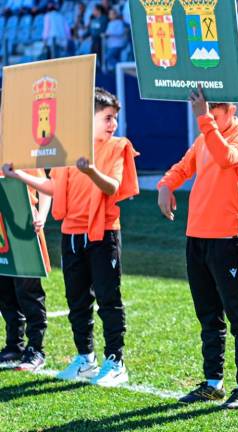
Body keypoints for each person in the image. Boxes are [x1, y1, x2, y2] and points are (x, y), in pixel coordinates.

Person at [3, 88, 139, 387]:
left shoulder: (118, 146)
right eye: (106, 118)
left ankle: (115, 361)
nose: (112, 123)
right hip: (72, 234)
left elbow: (112, 187)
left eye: (114, 118)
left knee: (108, 299)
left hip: (103, 233)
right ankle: (85, 359)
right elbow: (53, 187)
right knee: (77, 301)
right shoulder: (69, 150)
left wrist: (90, 170)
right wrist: (19, 176)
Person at [157, 86, 238, 409]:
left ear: (232, 110)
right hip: (196, 238)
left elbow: (226, 156)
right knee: (208, 315)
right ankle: (213, 382)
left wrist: (204, 121)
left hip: (228, 239)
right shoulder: (204, 137)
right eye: (206, 111)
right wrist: (165, 184)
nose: (208, 116)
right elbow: (183, 167)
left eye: (215, 112)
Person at [0, 169, 51, 372]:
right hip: (2, 232)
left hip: (24, 229)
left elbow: (45, 185)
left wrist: (43, 217)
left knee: (28, 292)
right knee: (4, 291)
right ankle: (14, 345)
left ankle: (36, 349)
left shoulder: (20, 152)